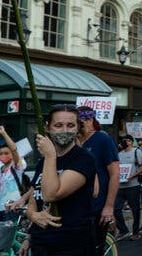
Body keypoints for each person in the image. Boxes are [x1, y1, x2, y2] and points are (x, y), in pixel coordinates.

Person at [25, 104, 97, 256]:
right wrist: (33, 216)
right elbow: (34, 200)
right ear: (47, 128)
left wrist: (50, 155)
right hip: (40, 243)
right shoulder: (42, 163)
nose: (65, 130)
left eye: (70, 125)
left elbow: (51, 195)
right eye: (58, 125)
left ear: (78, 128)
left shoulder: (83, 159)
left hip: (70, 245)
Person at [77, 106, 119, 256]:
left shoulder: (103, 140)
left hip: (97, 206)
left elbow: (114, 174)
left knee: (94, 250)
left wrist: (109, 206)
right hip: (76, 208)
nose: (84, 122)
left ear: (93, 119)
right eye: (80, 120)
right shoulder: (72, 142)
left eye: (88, 119)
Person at [114, 134, 142, 240]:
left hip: (133, 186)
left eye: (126, 140)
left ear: (131, 142)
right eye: (123, 140)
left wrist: (132, 176)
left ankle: (135, 232)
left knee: (135, 209)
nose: (124, 142)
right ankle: (123, 230)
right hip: (120, 186)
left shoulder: (137, 152)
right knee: (115, 209)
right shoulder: (119, 154)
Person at [0, 125, 24, 222]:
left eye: (6, 153)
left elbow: (14, 149)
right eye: (0, 153)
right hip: (1, 208)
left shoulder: (16, 165)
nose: (3, 155)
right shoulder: (1, 169)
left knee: (9, 235)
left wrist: (3, 133)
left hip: (12, 207)